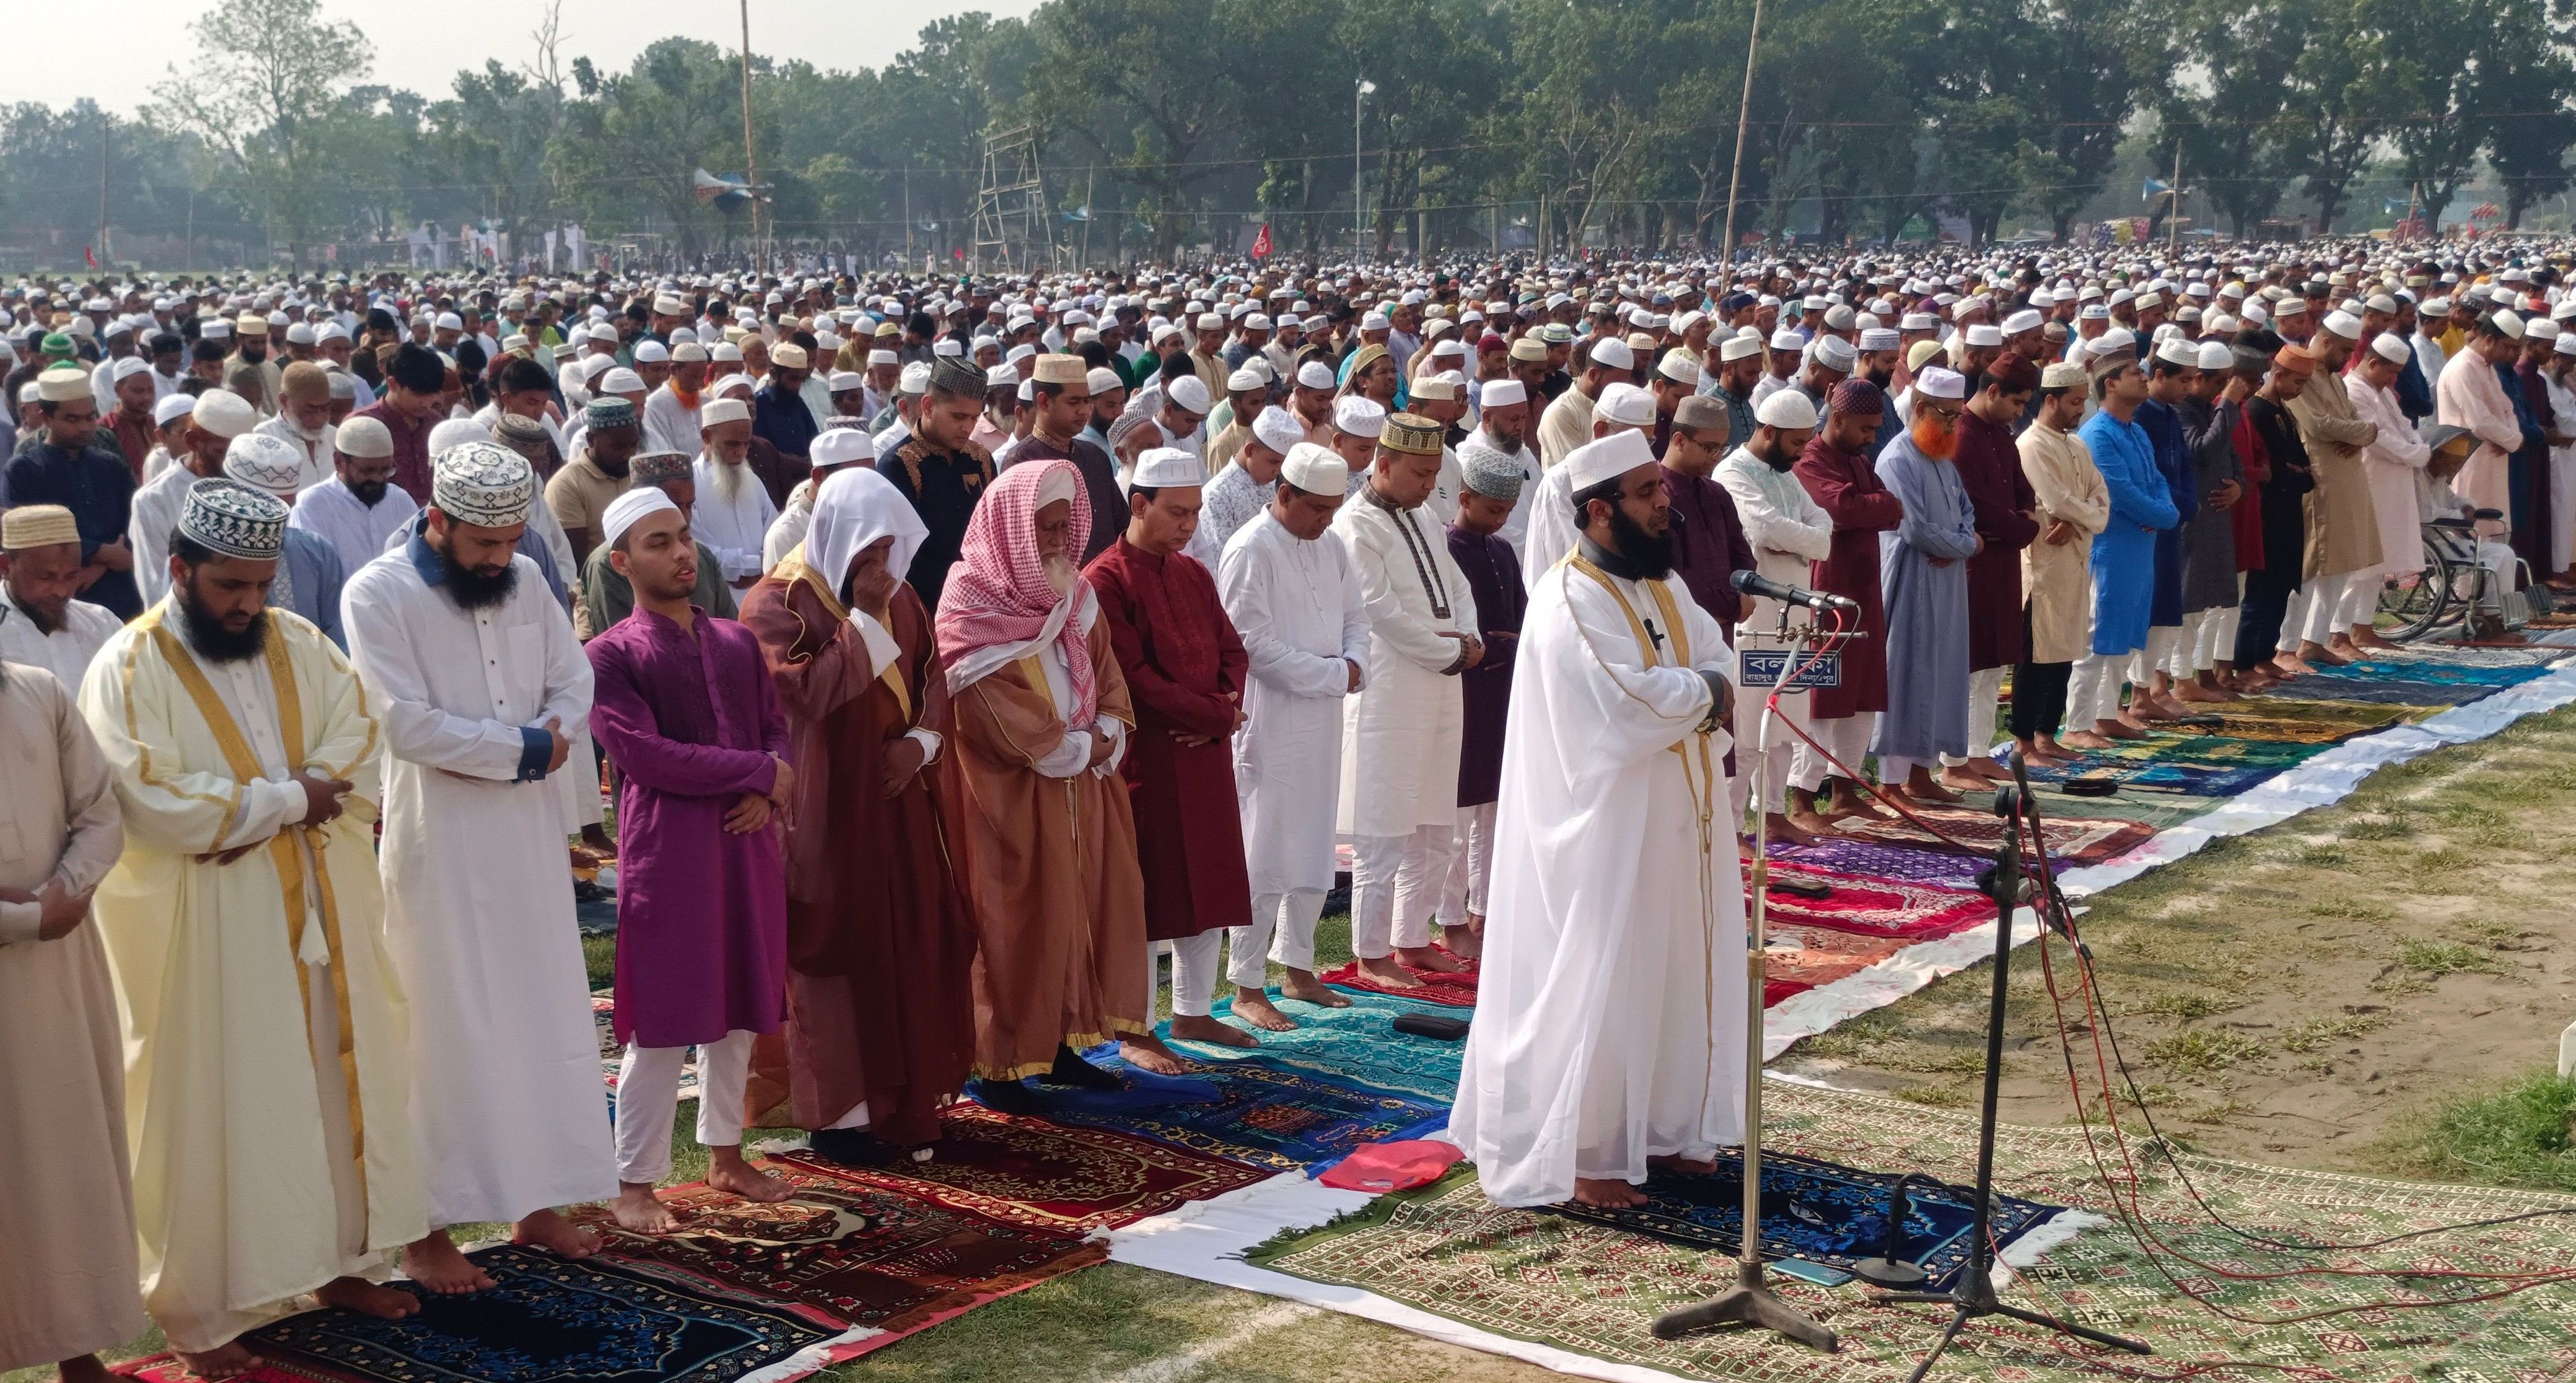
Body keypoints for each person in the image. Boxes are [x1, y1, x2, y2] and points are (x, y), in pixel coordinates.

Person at [79, 480, 427, 1375]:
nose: (247, 605)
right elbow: (146, 797)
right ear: (179, 570)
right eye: (229, 587)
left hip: (321, 911)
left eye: (260, 586)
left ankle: (343, 1261)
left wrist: (280, 806)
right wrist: (285, 800)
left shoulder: (301, 642)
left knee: (330, 1074)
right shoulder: (128, 667)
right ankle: (202, 1312)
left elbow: (357, 742)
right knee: (214, 1101)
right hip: (209, 936)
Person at [340, 442, 616, 1293]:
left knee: (539, 1010)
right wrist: (526, 746)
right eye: (482, 546)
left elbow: (575, 681)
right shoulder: (377, 593)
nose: (498, 559)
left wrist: (548, 734)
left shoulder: (528, 581)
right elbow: (403, 723)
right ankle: (425, 1231)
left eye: (508, 542)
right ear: (438, 522)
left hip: (530, 841)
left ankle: (536, 1200)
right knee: (443, 1024)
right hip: (443, 840)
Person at [1447, 426, 1743, 1209]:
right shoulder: (1569, 598)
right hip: (1603, 834)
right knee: (1607, 978)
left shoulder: (1663, 587)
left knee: (1675, 966)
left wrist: (1704, 686)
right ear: (1598, 511)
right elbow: (1629, 702)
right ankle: (1586, 1149)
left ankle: (1664, 1128)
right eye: (1648, 493)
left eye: (1660, 488)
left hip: (1678, 819)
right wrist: (1705, 694)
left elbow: (1721, 654)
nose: (1665, 503)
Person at [740, 467, 976, 1161]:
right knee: (837, 949)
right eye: (866, 550)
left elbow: (935, 676)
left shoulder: (901, 599)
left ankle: (903, 1102)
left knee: (909, 942)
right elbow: (807, 695)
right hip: (826, 814)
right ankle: (841, 1119)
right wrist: (867, 621)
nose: (879, 566)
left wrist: (921, 744)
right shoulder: (776, 604)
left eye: (889, 550)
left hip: (901, 805)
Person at [584, 487, 795, 1232]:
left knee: (740, 1001)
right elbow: (644, 756)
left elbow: (775, 732)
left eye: (683, 538)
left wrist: (768, 791)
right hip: (669, 850)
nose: (680, 554)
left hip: (744, 843)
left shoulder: (736, 642)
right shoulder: (607, 657)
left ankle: (726, 1154)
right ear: (621, 561)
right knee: (668, 1015)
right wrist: (758, 775)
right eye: (657, 542)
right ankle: (633, 1181)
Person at [933, 459, 1151, 1097]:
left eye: (1065, 528)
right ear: (1011, 531)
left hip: (1083, 790)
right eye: (1044, 530)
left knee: (1074, 913)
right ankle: (999, 1060)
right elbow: (995, 714)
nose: (1059, 542)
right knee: (1014, 923)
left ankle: (1058, 1044)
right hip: (1010, 802)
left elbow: (1109, 675)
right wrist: (1082, 744)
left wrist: (1107, 731)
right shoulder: (972, 606)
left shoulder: (1076, 597)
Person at [0, 599, 137, 1383]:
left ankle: (77, 1349)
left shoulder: (38, 693)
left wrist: (65, 891)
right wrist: (25, 919)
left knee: (66, 1157)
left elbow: (99, 810)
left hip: (58, 971)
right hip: (34, 941)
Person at [1082, 447, 1258, 1055]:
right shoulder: (1104, 581)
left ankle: (1191, 1012)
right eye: (1177, 513)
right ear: (1140, 504)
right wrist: (1216, 715)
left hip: (1204, 753)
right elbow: (1133, 678)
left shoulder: (1193, 573)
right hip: (1148, 758)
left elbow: (1232, 651)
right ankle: (1136, 1027)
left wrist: (1224, 711)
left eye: (1194, 513)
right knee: (1148, 892)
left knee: (1206, 886)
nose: (1188, 525)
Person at [1216, 442, 1370, 1031]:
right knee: (1265, 849)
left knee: (1312, 844)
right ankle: (1246, 983)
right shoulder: (1250, 548)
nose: (1328, 520)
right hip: (1269, 721)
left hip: (1322, 721)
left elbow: (1356, 616)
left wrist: (1355, 662)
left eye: (1334, 509)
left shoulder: (1329, 544)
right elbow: (1250, 645)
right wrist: (1336, 674)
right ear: (1284, 494)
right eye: (1318, 509)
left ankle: (1299, 967)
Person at [1338, 412, 1482, 985]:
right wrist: (1448, 649)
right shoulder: (1356, 525)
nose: (1429, 485)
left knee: (1434, 823)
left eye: (1433, 474)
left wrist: (1466, 637)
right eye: (1420, 473)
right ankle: (1371, 953)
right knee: (1386, 825)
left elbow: (1459, 587)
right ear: (1385, 464)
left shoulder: (1423, 516)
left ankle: (1412, 937)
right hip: (1393, 689)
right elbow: (1380, 613)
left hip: (1445, 684)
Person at [1716, 389, 1834, 840]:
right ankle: (1732, 829)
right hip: (1758, 621)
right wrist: (1797, 536)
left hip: (1796, 620)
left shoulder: (1786, 476)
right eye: (1797, 442)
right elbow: (1763, 528)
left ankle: (1772, 815)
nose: (1803, 451)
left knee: (1786, 725)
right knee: (1748, 733)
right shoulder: (1733, 472)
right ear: (1769, 431)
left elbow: (1824, 530)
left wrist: (1794, 537)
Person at [1790, 378, 1899, 824]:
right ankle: (1800, 799)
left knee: (1863, 693)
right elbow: (1842, 511)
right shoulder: (1812, 461)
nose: (1872, 438)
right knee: (1822, 692)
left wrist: (1870, 504)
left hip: (1864, 591)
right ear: (1837, 419)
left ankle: (1845, 789)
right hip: (1828, 592)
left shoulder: (1857, 460)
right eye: (1866, 429)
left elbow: (1891, 506)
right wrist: (1872, 505)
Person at [1872, 367, 1982, 802]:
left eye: (1958, 416)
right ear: (1921, 409)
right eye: (1948, 416)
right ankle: (1891, 782)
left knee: (1941, 672)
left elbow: (1966, 511)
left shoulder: (1942, 457)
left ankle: (1922, 773)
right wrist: (1965, 545)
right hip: (1912, 581)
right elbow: (1914, 529)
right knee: (1907, 673)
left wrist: (1962, 543)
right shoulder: (1897, 459)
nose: (1955, 424)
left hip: (1948, 582)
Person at [2068, 340, 2181, 747]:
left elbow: (2157, 481)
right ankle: (2079, 723)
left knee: (2126, 632)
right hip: (2111, 547)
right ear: (2111, 383)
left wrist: (2164, 512)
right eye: (2136, 373)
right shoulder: (2098, 433)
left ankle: (2105, 712)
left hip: (2139, 547)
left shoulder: (2135, 431)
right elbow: (2119, 490)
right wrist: (2161, 515)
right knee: (2099, 635)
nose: (2145, 377)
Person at [1933, 357, 2038, 792]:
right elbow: (1975, 503)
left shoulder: (2000, 433)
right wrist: (2022, 527)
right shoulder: (1961, 434)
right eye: (2016, 402)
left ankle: (1977, 751)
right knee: (1968, 664)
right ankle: (1953, 759)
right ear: (1993, 392)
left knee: (1995, 663)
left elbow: (2021, 487)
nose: (2019, 412)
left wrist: (2024, 518)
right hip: (1973, 563)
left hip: (2002, 561)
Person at [1439, 447, 1527, 959]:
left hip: (1502, 694)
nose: (1500, 519)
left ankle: (1485, 910)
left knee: (1495, 808)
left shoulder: (1503, 552)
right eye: (1493, 509)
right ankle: (1450, 916)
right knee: (1460, 813)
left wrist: (1506, 644)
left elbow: (1521, 619)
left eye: (1507, 511)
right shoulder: (1447, 549)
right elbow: (1459, 633)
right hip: (1465, 695)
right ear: (1466, 497)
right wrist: (1495, 645)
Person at [2012, 362, 2109, 763]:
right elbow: (2055, 501)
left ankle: (2048, 735)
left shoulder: (2077, 445)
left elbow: (2102, 500)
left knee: (2066, 649)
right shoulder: (2031, 444)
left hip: (2075, 562)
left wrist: (2078, 519)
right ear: (2051, 400)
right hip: (2044, 567)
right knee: (2036, 655)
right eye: (2075, 401)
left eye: (2084, 401)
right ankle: (2023, 742)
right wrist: (2077, 515)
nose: (2081, 410)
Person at [2281, 312, 2384, 664]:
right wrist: (2363, 432)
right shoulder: (2302, 374)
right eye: (2344, 350)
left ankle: (2315, 640)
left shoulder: (2336, 379)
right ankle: (2287, 646)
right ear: (2325, 342)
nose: (2347, 358)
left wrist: (2363, 434)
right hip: (2320, 481)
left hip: (2347, 482)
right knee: (2312, 567)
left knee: (2340, 565)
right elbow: (2318, 425)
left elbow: (2360, 425)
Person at [6, 366, 141, 619]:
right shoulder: (25, 469)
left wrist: (102, 566)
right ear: (46, 418)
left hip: (120, 592)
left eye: (90, 418)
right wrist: (100, 554)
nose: (85, 427)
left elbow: (133, 523)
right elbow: (30, 534)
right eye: (72, 419)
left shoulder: (110, 465)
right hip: (57, 597)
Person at [884, 356, 999, 609]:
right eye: (959, 416)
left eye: (974, 418)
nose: (968, 427)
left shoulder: (980, 459)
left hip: (981, 601)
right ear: (927, 406)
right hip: (923, 605)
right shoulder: (898, 465)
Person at [580, 453, 740, 634]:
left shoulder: (700, 553)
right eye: (673, 505)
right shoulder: (606, 563)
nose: (685, 517)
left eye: (689, 506)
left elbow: (729, 629)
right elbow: (624, 640)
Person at [219, 434, 349, 647]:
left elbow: (337, 640)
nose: (272, 521)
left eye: (282, 509)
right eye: (263, 510)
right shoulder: (201, 560)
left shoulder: (316, 552)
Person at [2237, 346, 2321, 674]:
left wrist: (2294, 474)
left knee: (2282, 587)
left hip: (2288, 512)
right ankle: (2245, 661)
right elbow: (2272, 469)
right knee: (2261, 591)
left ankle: (2264, 655)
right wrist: (2292, 474)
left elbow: (2303, 467)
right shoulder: (2257, 410)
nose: (2300, 390)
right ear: (2280, 375)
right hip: (2267, 513)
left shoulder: (2283, 410)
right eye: (2298, 382)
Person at [1013, 354, 1127, 563]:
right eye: (1074, 402)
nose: (1084, 410)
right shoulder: (1022, 461)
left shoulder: (1095, 456)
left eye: (1087, 401)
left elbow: (1123, 526)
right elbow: (1022, 546)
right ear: (1044, 402)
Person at [1, 504, 126, 691]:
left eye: (71, 576)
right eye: (47, 577)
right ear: (5, 567)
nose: (61, 591)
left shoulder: (102, 625)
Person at [289, 414, 419, 576]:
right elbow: (308, 572)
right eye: (368, 471)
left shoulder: (400, 500)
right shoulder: (313, 506)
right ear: (339, 462)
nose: (378, 479)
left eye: (385, 470)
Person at [1183, 403, 1299, 567]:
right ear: (1250, 450)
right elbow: (1221, 564)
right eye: (1274, 461)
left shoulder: (1275, 486)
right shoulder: (1217, 495)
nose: (1278, 470)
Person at [690, 396, 778, 591]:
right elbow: (700, 551)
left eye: (747, 444)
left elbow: (775, 530)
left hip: (764, 589)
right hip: (718, 594)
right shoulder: (691, 485)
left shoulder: (751, 479)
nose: (741, 452)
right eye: (732, 445)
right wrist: (757, 565)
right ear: (707, 437)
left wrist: (765, 566)